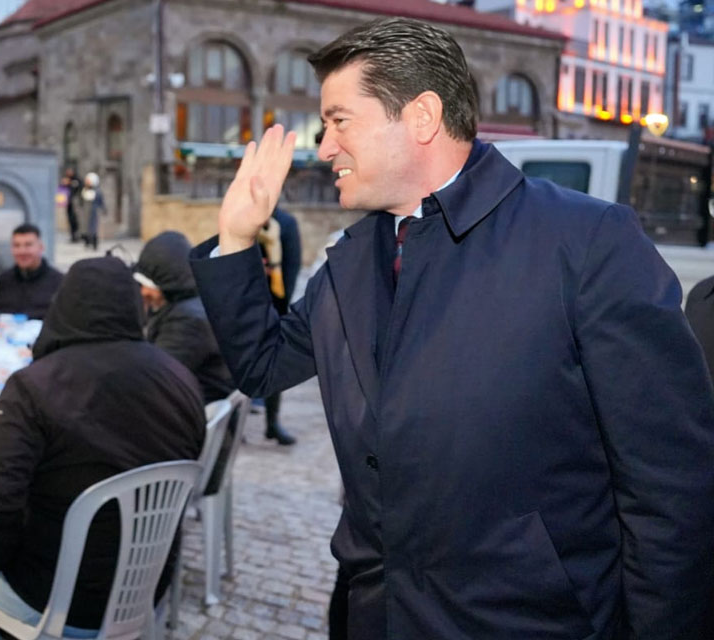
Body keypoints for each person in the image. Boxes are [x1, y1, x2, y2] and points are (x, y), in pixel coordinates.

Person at [190, 18, 714, 638]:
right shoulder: (351, 262)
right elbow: (262, 365)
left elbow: (670, 490)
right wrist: (236, 238)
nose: (323, 146)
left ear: (420, 116)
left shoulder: (586, 242)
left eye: (339, 120)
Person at [0, 257, 205, 640]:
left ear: (63, 306)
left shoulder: (35, 386)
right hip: (146, 586)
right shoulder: (179, 378)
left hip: (59, 595)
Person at [133, 231, 233, 404]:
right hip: (193, 398)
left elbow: (155, 378)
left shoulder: (188, 322)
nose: (143, 292)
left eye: (147, 285)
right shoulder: (192, 301)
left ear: (168, 284)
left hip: (192, 409)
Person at [256, 209, 302, 445]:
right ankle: (233, 420)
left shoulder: (285, 223)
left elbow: (291, 266)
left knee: (273, 362)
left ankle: (272, 423)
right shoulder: (242, 218)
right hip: (244, 300)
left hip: (274, 303)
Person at [0, 224, 63, 320]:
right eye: (16, 245)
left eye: (28, 245)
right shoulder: (3, 280)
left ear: (41, 247)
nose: (22, 251)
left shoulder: (59, 282)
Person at [79, 172, 103, 250]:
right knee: (85, 227)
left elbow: (100, 201)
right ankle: (87, 242)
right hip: (86, 212)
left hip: (94, 212)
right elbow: (82, 200)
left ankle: (94, 243)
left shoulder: (97, 191)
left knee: (93, 228)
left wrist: (103, 209)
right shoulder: (85, 189)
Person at [59, 167, 82, 243]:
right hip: (68, 204)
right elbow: (61, 189)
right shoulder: (66, 180)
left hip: (76, 204)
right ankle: (72, 236)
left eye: (70, 171)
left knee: (76, 220)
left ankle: (77, 236)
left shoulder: (76, 180)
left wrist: (71, 183)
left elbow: (79, 187)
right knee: (70, 220)